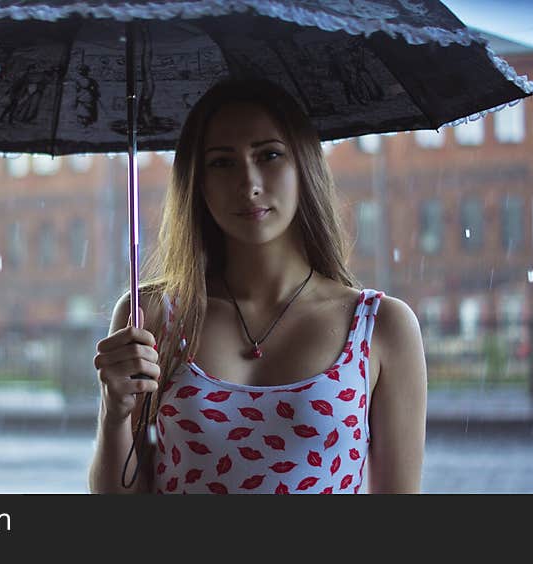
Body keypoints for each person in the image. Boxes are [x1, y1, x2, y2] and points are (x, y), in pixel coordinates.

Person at [88, 78, 427, 494]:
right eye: (222, 162)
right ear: (197, 181)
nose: (248, 183)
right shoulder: (150, 316)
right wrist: (114, 412)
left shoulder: (381, 326)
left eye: (269, 155)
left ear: (303, 166)